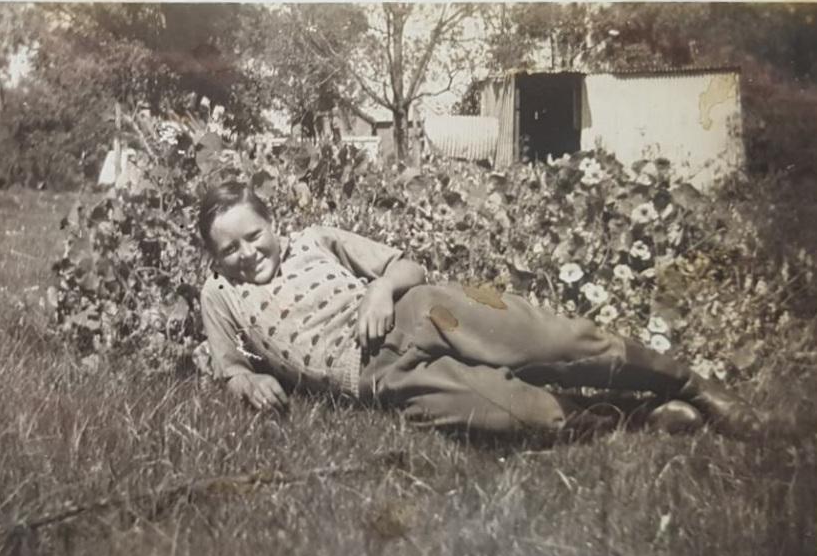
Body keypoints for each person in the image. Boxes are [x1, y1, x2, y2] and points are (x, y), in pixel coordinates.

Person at [197, 180, 774, 441]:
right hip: (376, 377)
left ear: (274, 225)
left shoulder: (317, 239)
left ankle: (689, 382)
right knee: (511, 414)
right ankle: (630, 418)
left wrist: (378, 290)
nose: (248, 255)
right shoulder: (219, 295)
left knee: (544, 343)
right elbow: (230, 366)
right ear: (214, 257)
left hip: (417, 313)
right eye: (230, 249)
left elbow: (406, 267)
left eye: (255, 236)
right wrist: (245, 382)